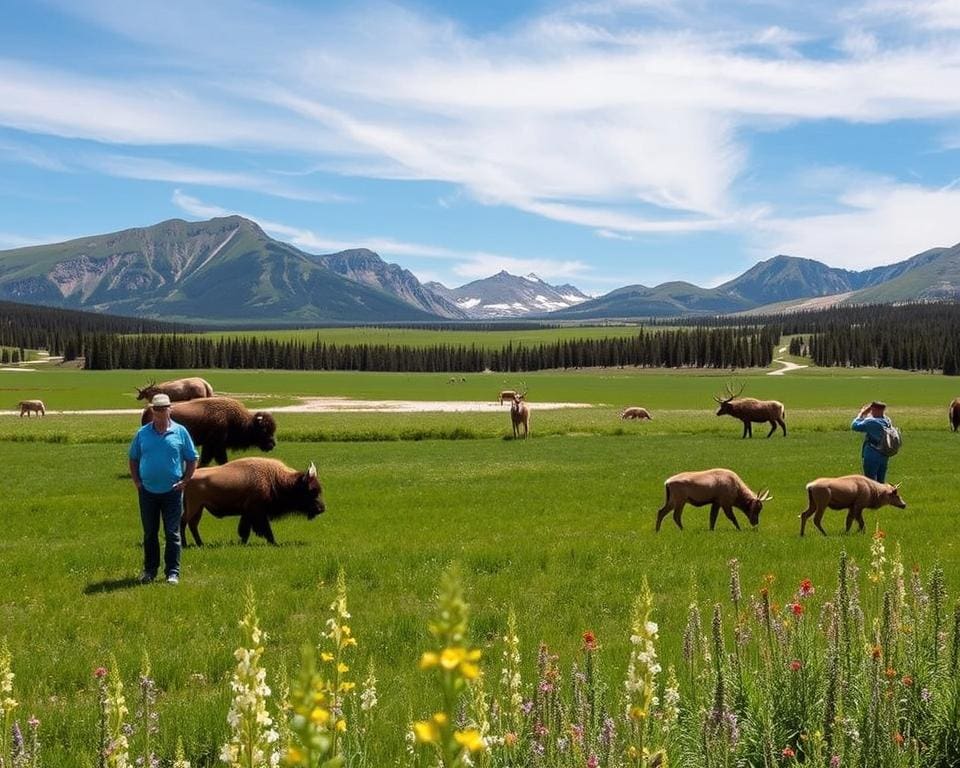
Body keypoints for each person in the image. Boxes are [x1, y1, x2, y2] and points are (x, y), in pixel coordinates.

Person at [128, 393, 198, 585]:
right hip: (147, 492)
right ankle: (150, 570)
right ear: (152, 411)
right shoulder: (142, 433)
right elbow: (133, 458)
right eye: (156, 409)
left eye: (163, 408)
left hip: (173, 492)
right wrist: (137, 482)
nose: (159, 412)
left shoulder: (180, 432)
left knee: (172, 532)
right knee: (150, 532)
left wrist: (186, 481)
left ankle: (172, 572)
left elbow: (192, 458)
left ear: (170, 409)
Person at [851, 400, 892, 482]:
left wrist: (862, 413)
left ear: (873, 409)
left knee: (870, 482)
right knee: (881, 481)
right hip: (884, 454)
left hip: (872, 454)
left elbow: (854, 426)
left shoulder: (871, 422)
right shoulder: (887, 420)